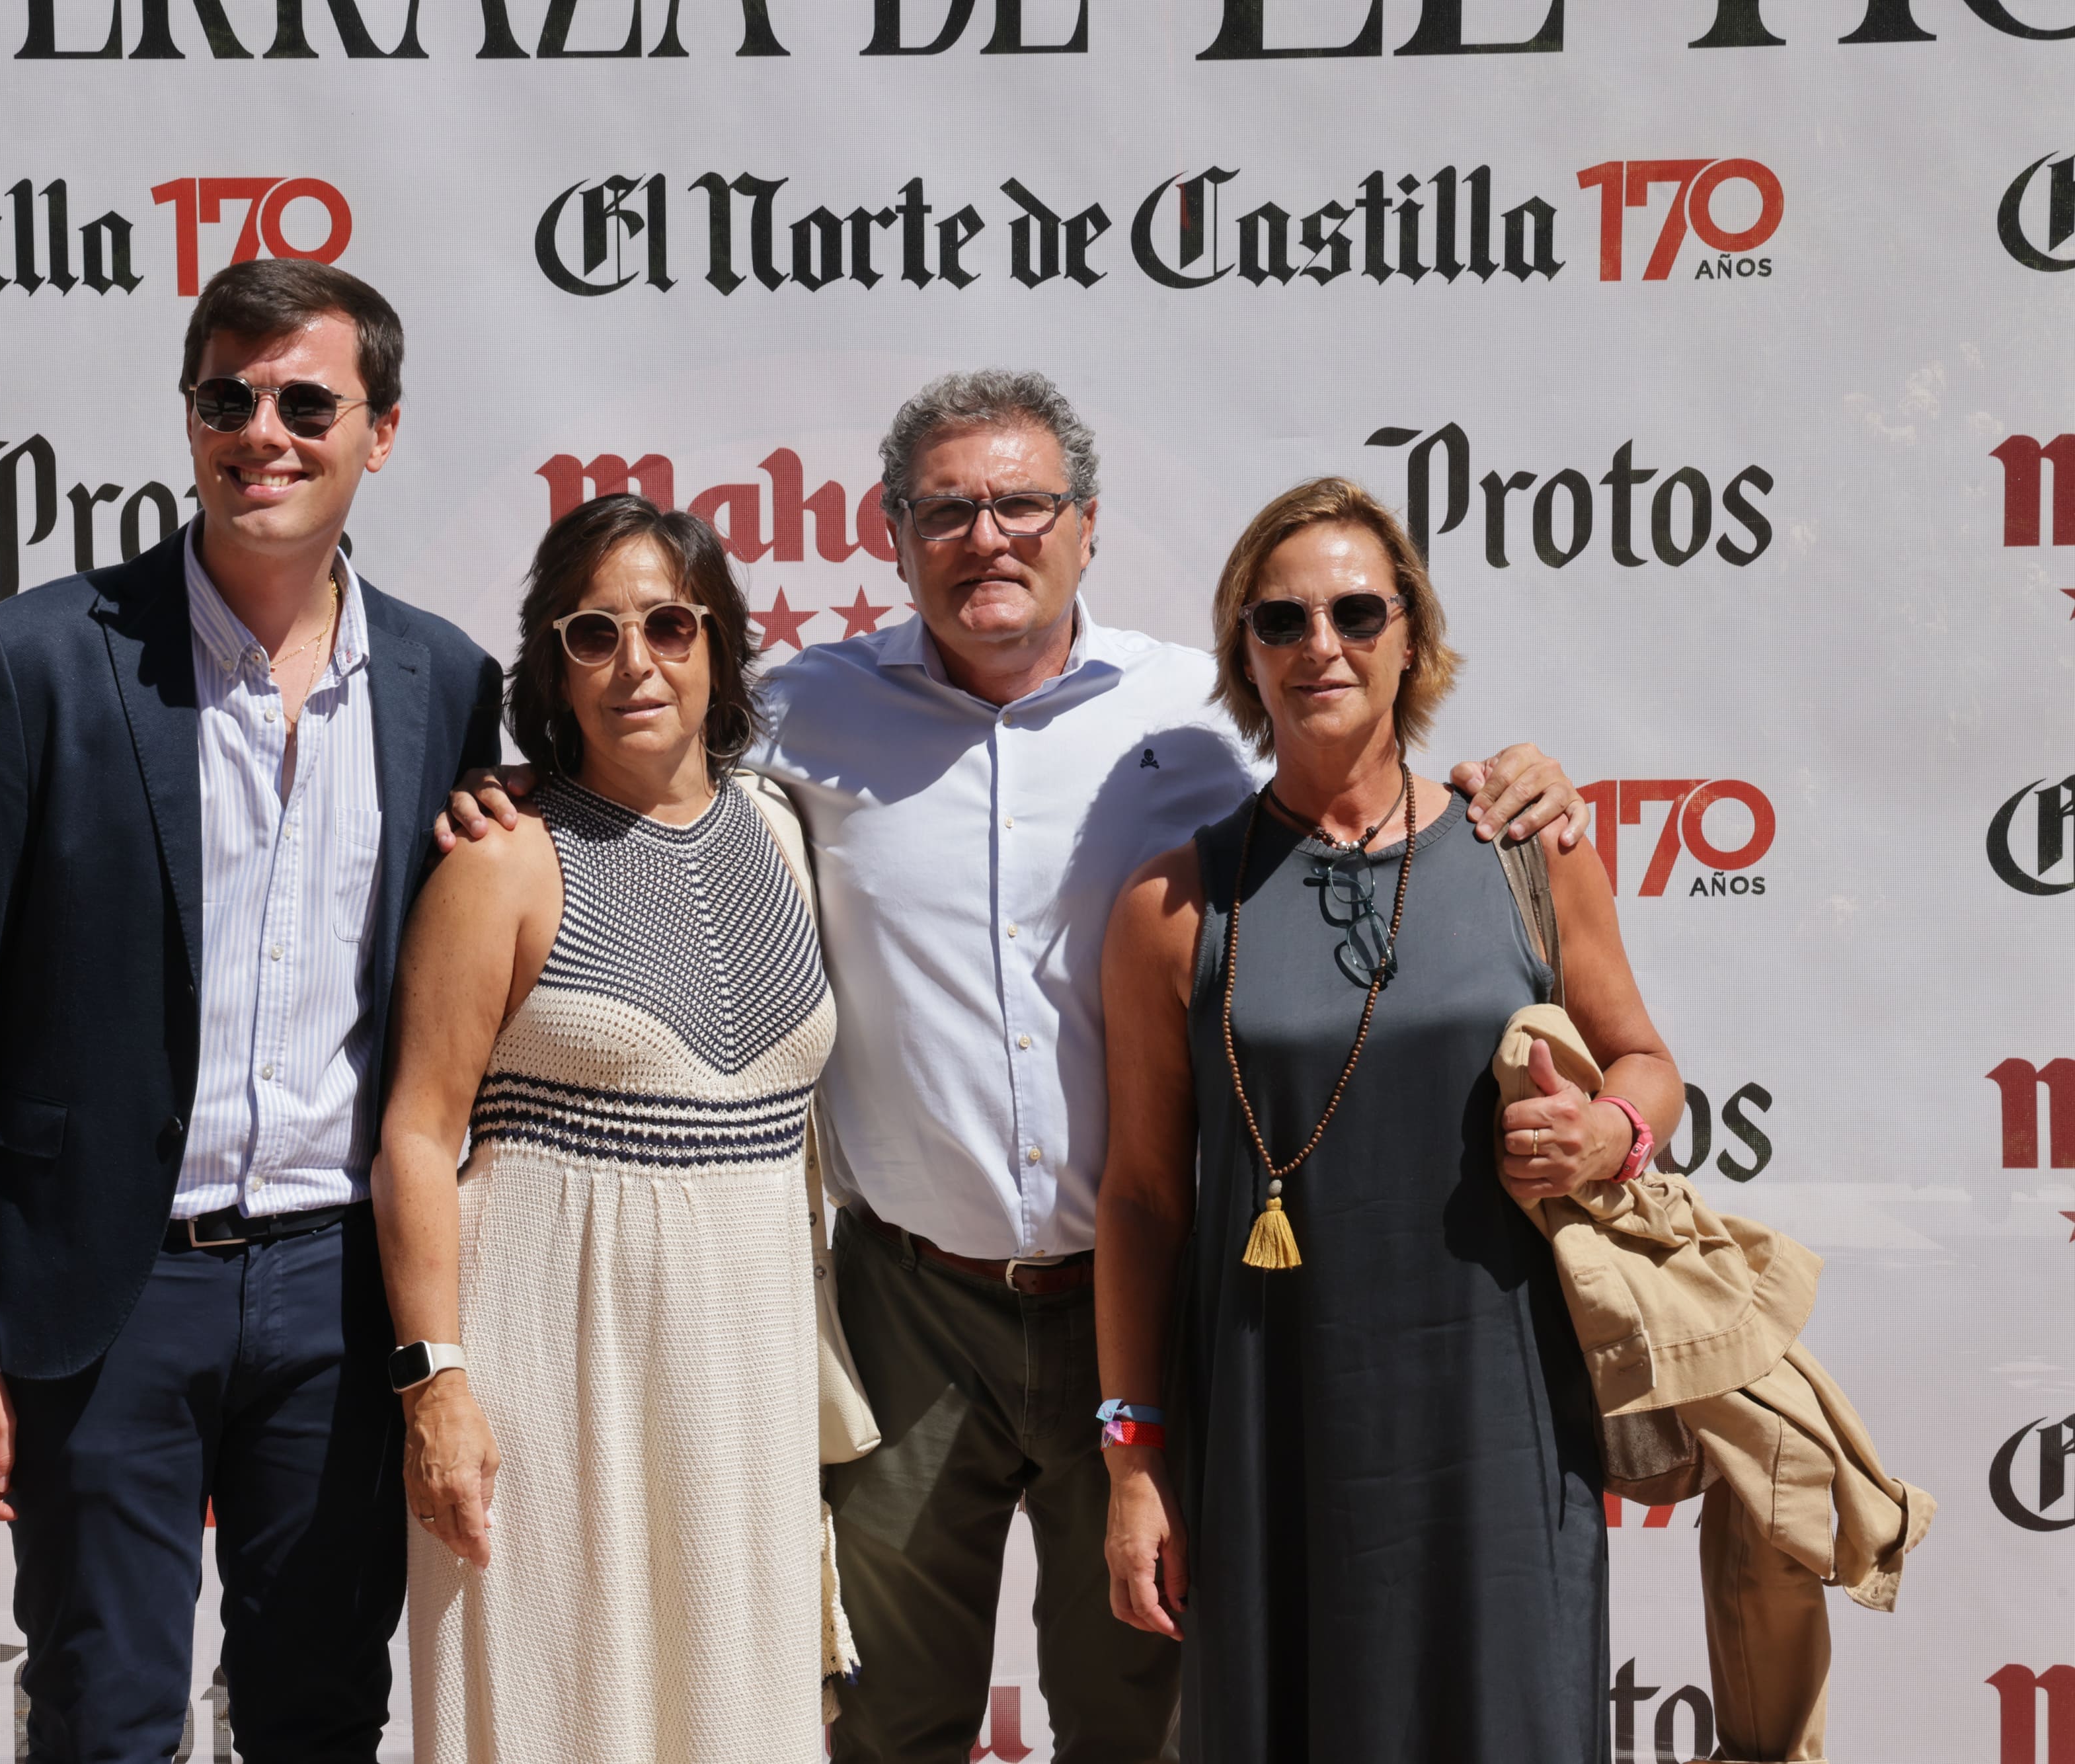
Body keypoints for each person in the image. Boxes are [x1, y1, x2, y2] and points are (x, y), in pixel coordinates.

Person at [443, 372, 1590, 1763]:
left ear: (1086, 526)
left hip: (1148, 1308)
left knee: (1140, 1714)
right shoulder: (799, 711)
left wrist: (1512, 773)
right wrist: (514, 785)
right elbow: (635, 742)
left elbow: (1355, 763)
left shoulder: (1202, 713)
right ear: (894, 532)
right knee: (879, 1720)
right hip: (907, 1317)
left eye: (1019, 503)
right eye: (945, 509)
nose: (984, 535)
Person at [0, 259, 502, 1763]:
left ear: (380, 432)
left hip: (341, 1299)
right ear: (190, 418)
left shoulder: (445, 680)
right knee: (103, 1717)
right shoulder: (33, 660)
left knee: (323, 1712)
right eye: (227, 397)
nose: (261, 432)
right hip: (104, 1291)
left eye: (304, 401)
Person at [1093, 477, 1687, 1763]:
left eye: (1357, 610)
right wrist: (1132, 1462)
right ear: (1241, 653)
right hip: (1268, 1428)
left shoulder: (1527, 847)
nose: (1321, 645)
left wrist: (1609, 1138)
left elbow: (1643, 1061)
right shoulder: (1171, 906)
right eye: (1279, 620)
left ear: (1410, 633)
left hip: (1501, 1412)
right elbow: (1141, 1197)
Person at [375, 494, 837, 1764]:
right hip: (549, 1381)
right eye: (593, 634)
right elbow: (417, 1138)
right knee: (559, 1707)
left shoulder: (786, 832)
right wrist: (439, 1387)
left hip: (742, 1382)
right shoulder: (505, 858)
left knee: (731, 1711)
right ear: (553, 667)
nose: (635, 663)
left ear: (720, 647)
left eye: (670, 626)